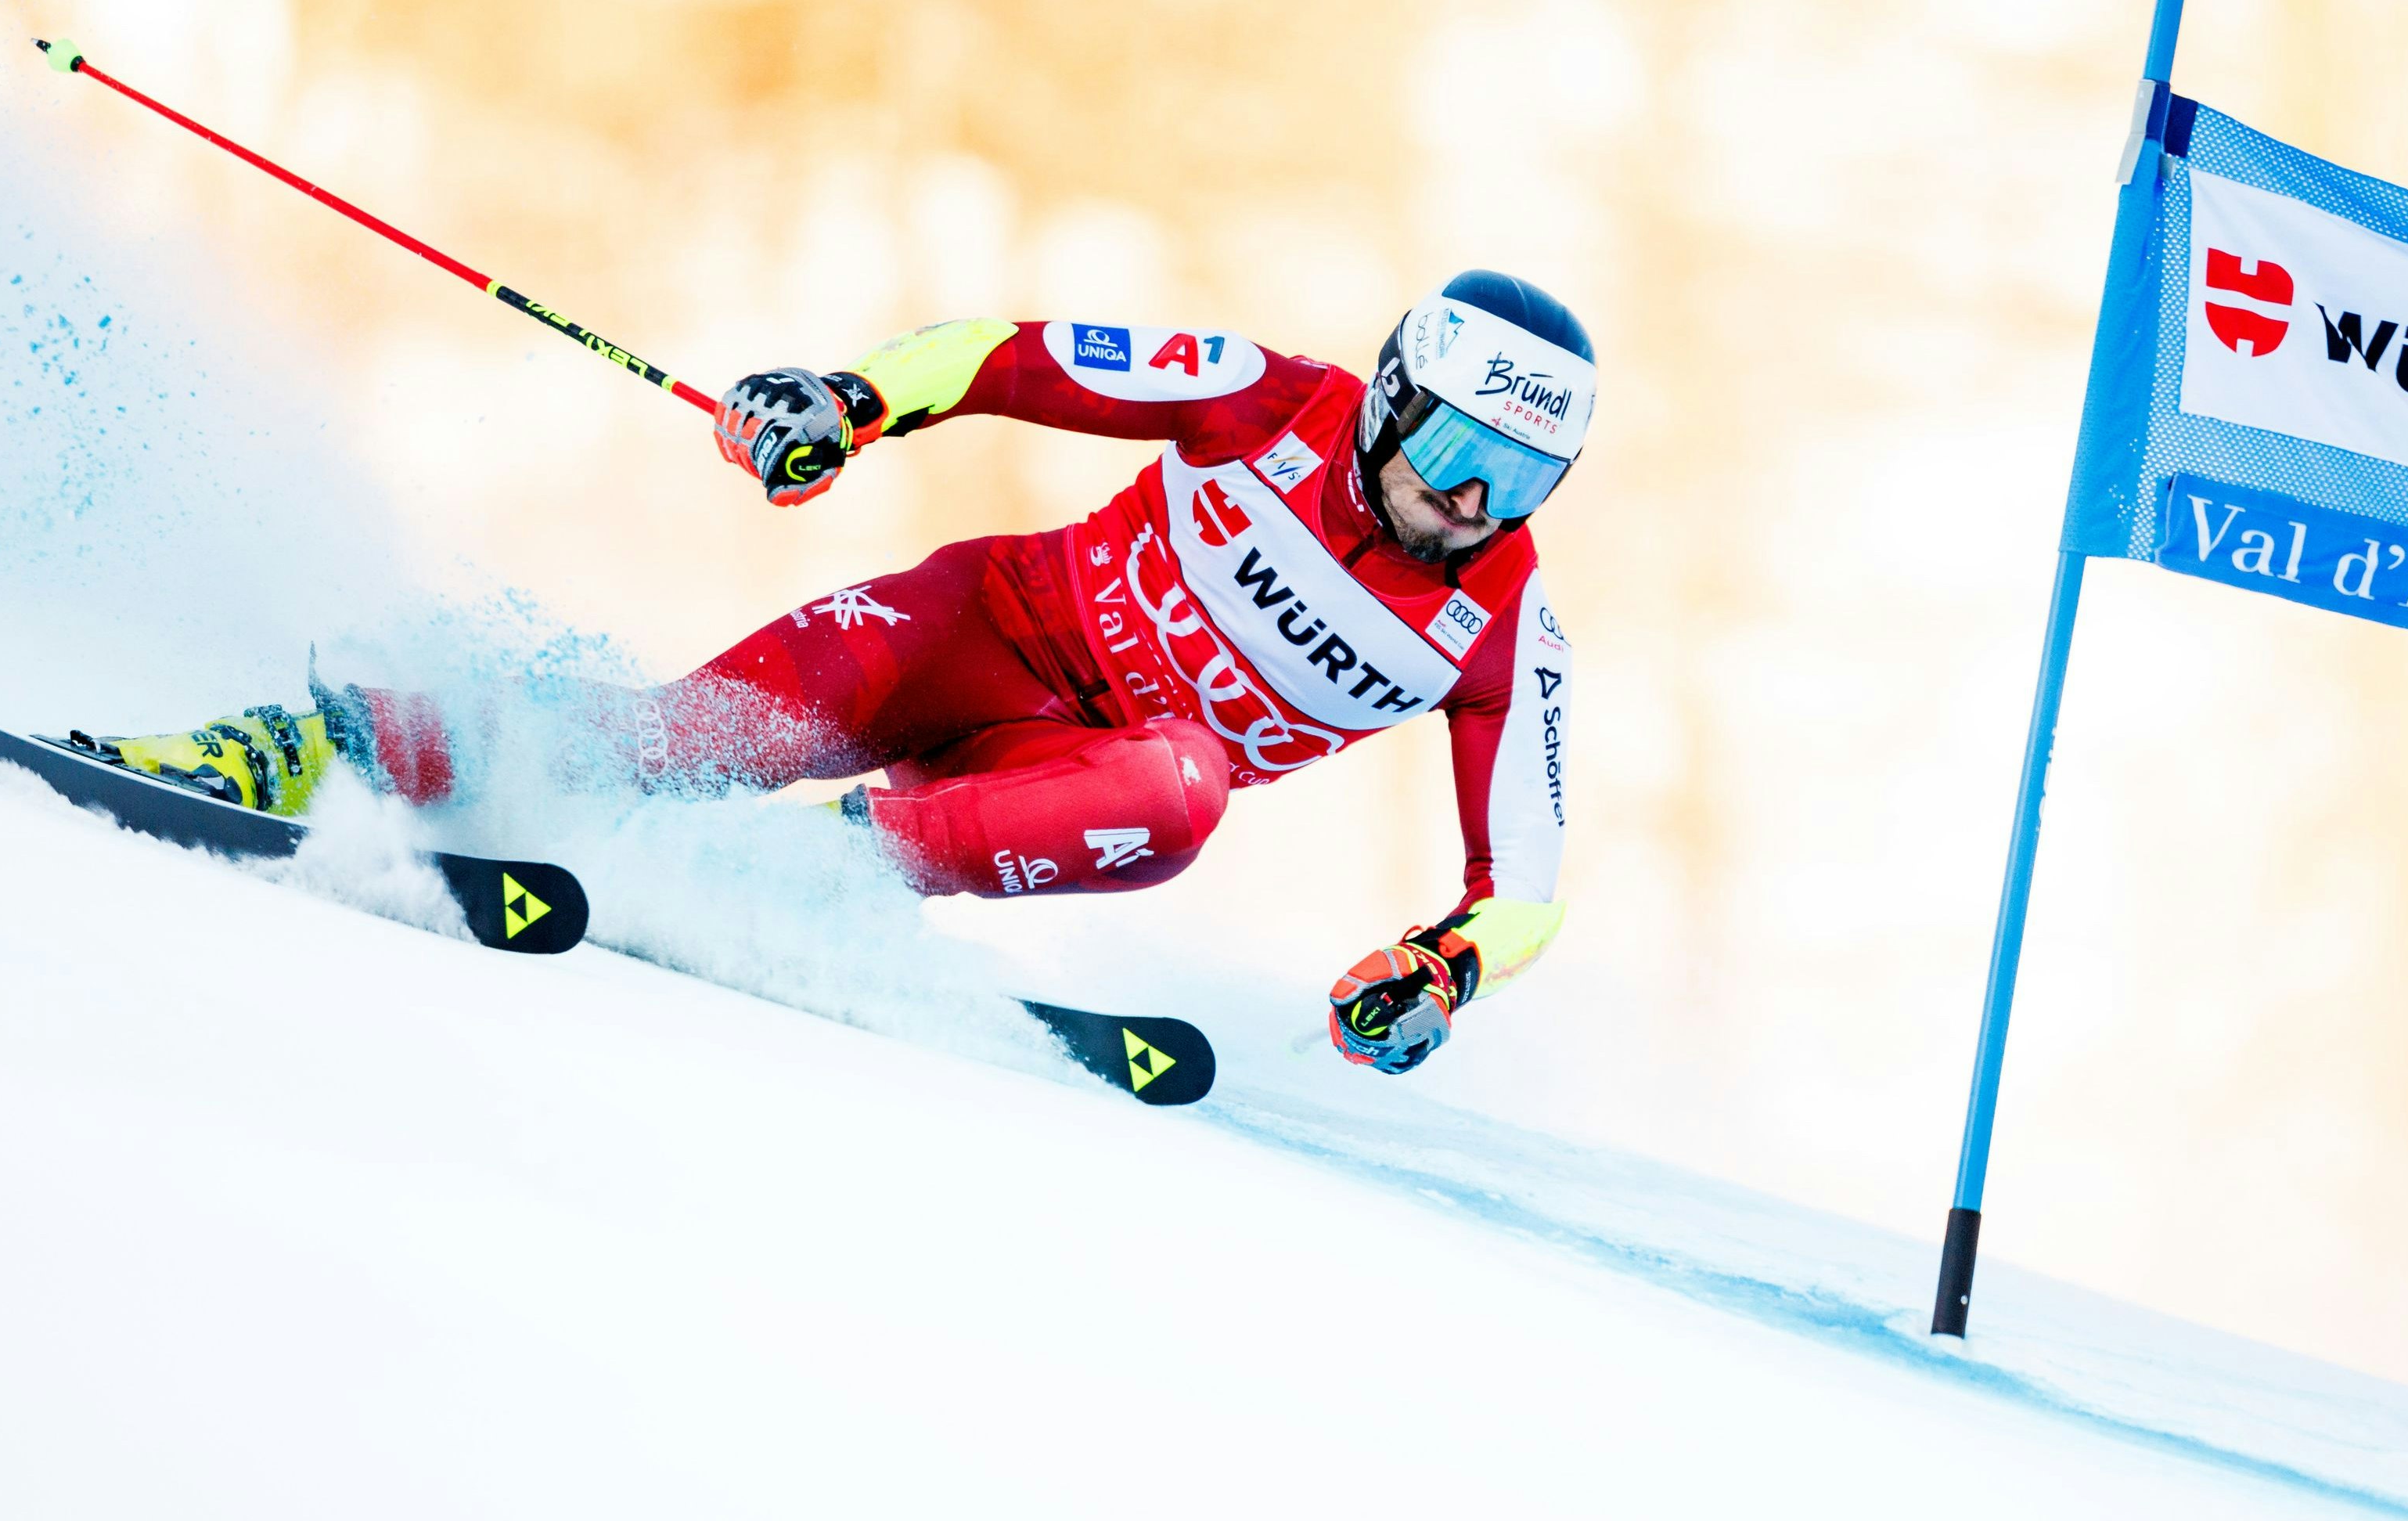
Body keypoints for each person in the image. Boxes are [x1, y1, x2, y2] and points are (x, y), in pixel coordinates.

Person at [85, 271, 1589, 1075]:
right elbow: (1011, 353)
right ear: (1394, 398)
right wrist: (846, 400)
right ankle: (315, 746)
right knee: (663, 741)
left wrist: (1443, 971)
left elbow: (1526, 881)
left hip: (1070, 785)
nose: (1471, 505)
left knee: (1187, 784)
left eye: (1519, 482)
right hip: (975, 628)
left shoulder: (1504, 622)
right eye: (1457, 453)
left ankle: (792, 868)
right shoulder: (1269, 399)